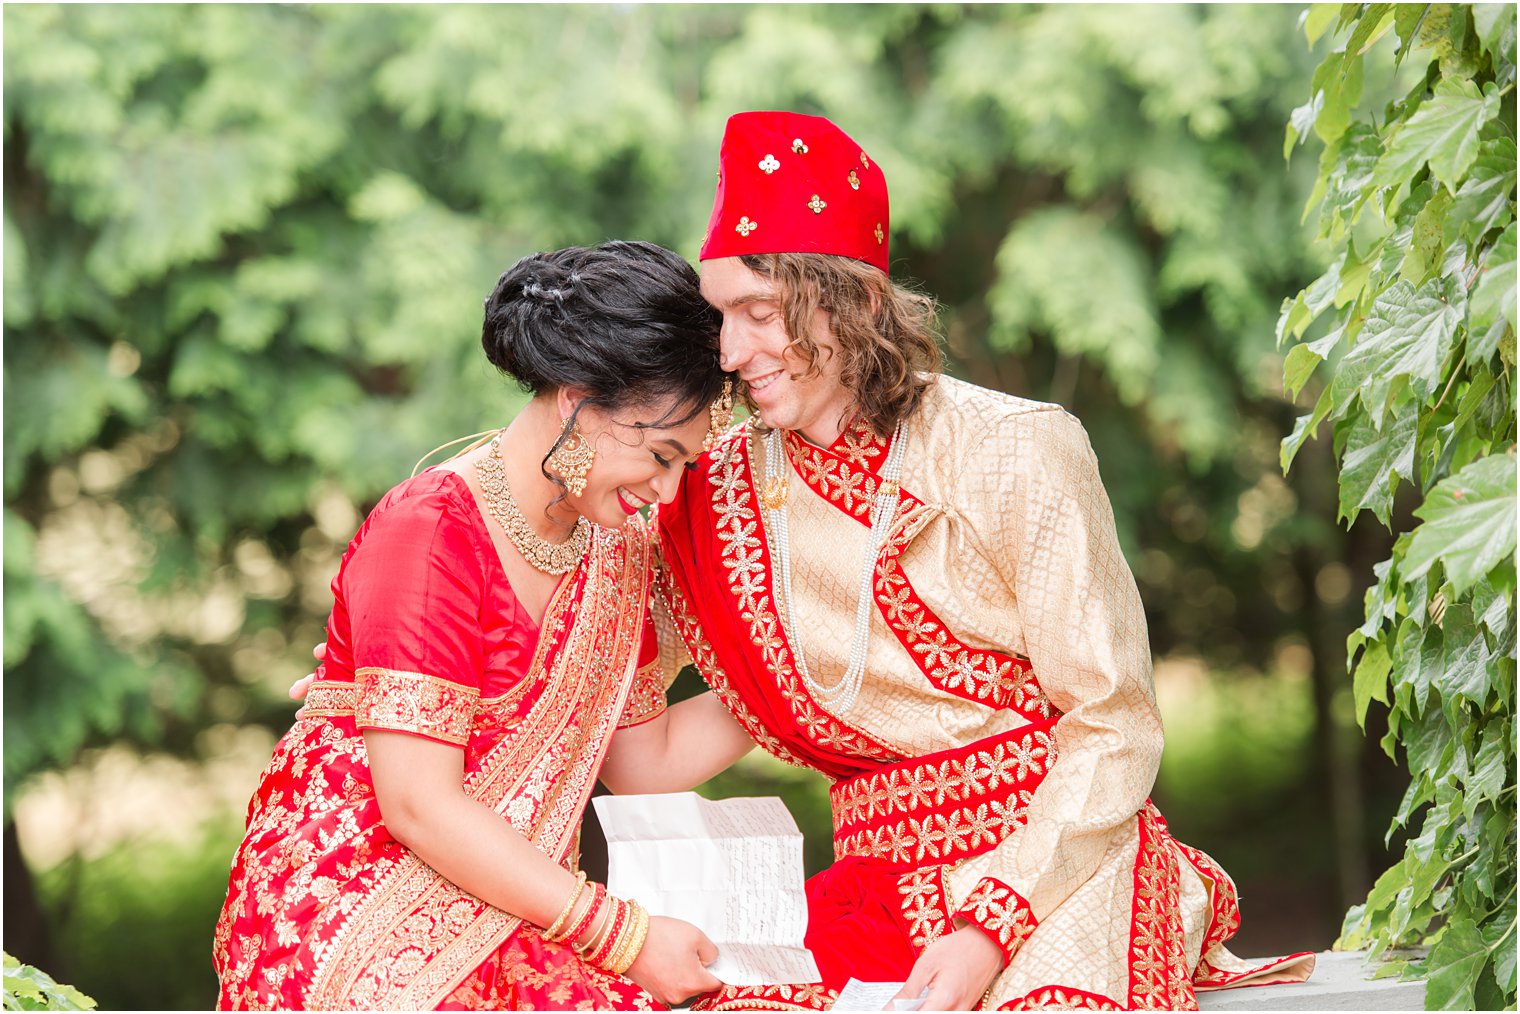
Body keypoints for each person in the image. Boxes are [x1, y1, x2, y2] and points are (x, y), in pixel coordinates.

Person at [639, 111, 1317, 1011]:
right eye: (720, 315)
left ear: (856, 302)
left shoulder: (1013, 448)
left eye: (759, 312)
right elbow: (636, 734)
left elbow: (1113, 722)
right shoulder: (710, 489)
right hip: (877, 890)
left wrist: (988, 924)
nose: (729, 353)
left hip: (1058, 865)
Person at [213, 241, 752, 1011]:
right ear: (577, 400)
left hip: (519, 903)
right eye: (660, 454)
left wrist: (799, 689)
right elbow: (418, 805)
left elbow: (645, 762)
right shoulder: (430, 529)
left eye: (683, 466)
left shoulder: (619, 546)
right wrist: (628, 938)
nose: (667, 492)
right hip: (358, 904)